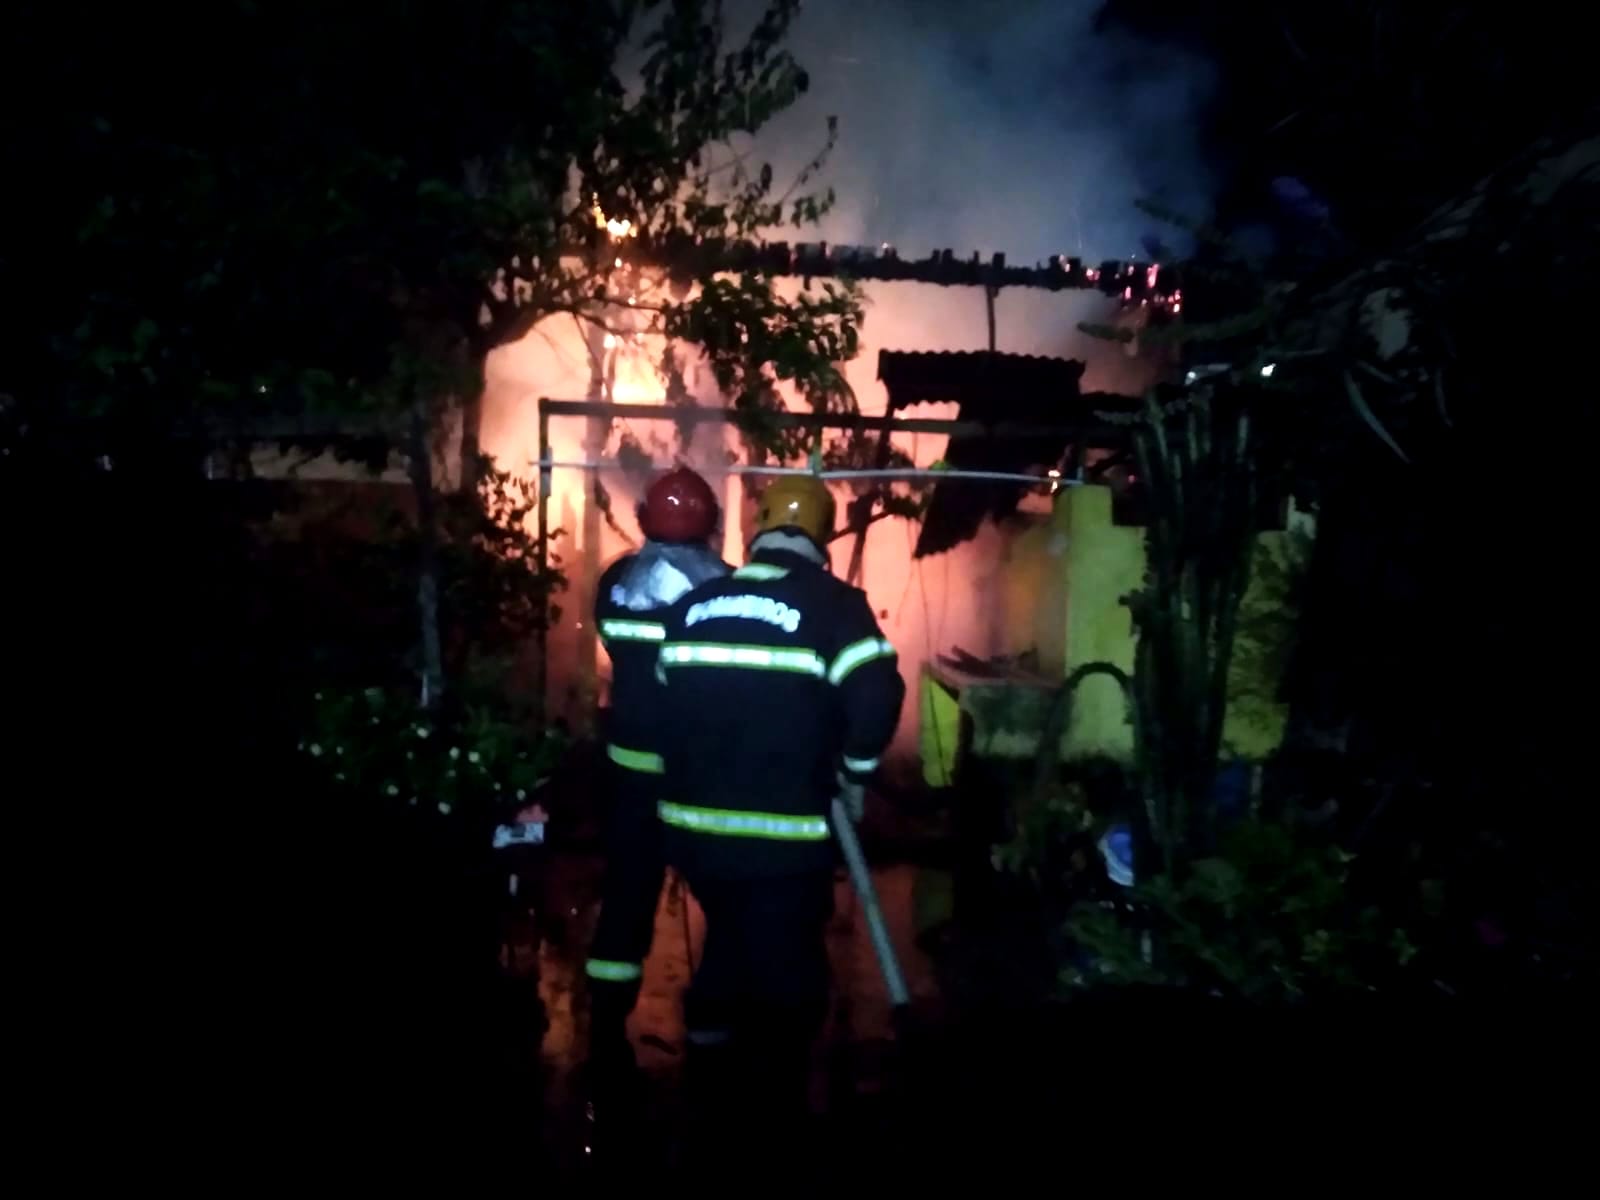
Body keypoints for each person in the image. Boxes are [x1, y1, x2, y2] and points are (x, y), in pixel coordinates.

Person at [651, 472, 906, 1119]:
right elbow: (877, 696)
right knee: (786, 952)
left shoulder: (694, 605)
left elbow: (664, 701)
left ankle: (708, 1062)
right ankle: (775, 1107)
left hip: (692, 831)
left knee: (730, 927)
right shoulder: (835, 606)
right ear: (821, 536)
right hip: (784, 835)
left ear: (758, 530)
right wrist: (853, 772)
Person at [585, 467, 729, 1080]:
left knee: (625, 899)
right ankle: (712, 1028)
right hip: (698, 776)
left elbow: (615, 647)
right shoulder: (726, 590)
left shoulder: (616, 583)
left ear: (644, 519)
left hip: (630, 779)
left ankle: (602, 1023)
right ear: (710, 523)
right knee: (726, 902)